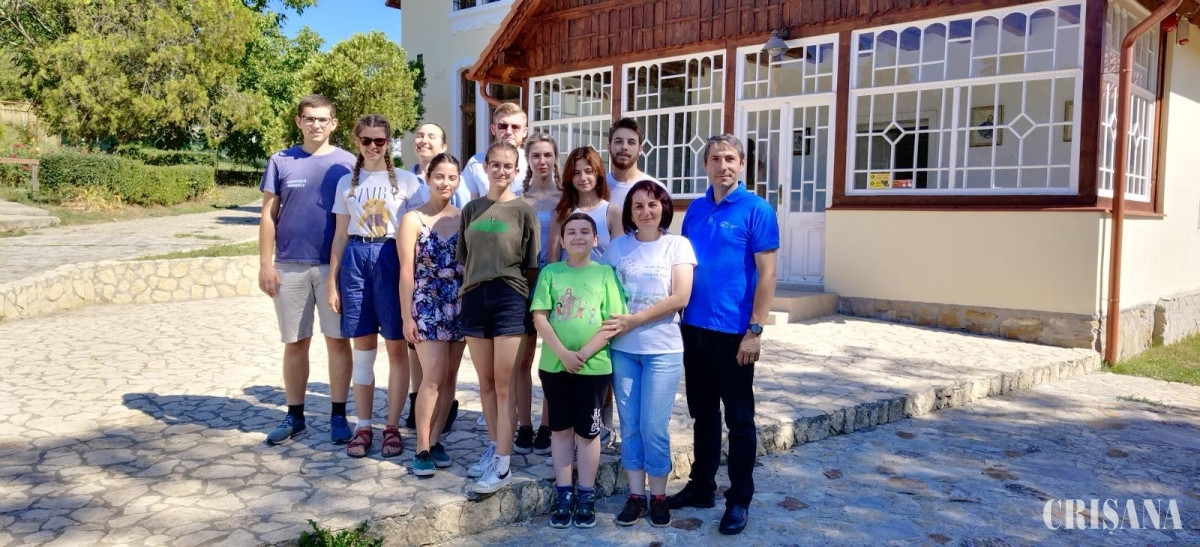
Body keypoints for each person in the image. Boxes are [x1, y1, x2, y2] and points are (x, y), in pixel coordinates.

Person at [667, 134, 779, 536]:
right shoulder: (695, 210)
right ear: (706, 166)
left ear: (742, 164)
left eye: (730, 158)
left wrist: (755, 330)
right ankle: (702, 486)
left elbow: (768, 275)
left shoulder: (757, 210)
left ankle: (739, 498)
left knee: (740, 419)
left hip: (735, 334)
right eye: (715, 159)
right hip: (694, 328)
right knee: (703, 414)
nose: (723, 166)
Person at [327, 114, 429, 458]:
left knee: (397, 349)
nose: (373, 147)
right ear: (357, 142)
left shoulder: (408, 182)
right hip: (356, 259)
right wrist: (332, 283)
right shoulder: (346, 183)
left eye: (380, 141)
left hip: (391, 257)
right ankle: (363, 425)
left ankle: (392, 426)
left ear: (389, 143)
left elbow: (424, 225)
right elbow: (340, 235)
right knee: (363, 350)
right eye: (366, 140)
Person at [259, 94, 355, 446]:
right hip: (289, 265)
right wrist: (265, 264)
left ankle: (338, 415)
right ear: (299, 121)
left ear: (334, 124)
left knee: (338, 341)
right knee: (296, 342)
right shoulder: (281, 161)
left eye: (323, 119)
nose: (316, 124)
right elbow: (268, 215)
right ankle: (294, 415)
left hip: (334, 268)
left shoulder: (348, 163)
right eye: (309, 118)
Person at [602, 180, 696, 527]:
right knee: (630, 425)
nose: (646, 212)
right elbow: (605, 293)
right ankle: (635, 496)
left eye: (653, 205)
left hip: (662, 350)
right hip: (623, 351)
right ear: (630, 211)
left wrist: (635, 320)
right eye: (638, 206)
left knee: (653, 426)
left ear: (664, 208)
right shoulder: (618, 248)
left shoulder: (677, 246)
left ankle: (658, 496)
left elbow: (680, 297)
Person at [530, 212, 626, 529]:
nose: (578, 236)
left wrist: (582, 354)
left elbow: (613, 321)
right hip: (555, 367)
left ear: (596, 239)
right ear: (561, 239)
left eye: (585, 231)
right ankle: (564, 493)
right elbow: (540, 317)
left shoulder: (605, 274)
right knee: (560, 430)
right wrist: (563, 354)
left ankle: (585, 494)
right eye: (571, 232)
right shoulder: (551, 273)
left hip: (593, 368)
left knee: (588, 432)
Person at [456, 140, 539, 494]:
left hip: (510, 298)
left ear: (516, 171)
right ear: (485, 167)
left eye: (508, 166)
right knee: (486, 382)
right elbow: (465, 258)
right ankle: (495, 447)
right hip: (475, 297)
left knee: (505, 384)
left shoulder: (523, 211)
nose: (501, 170)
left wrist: (525, 304)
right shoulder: (471, 209)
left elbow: (532, 266)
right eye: (496, 164)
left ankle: (503, 465)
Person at [549, 146, 624, 442]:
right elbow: (553, 259)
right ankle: (563, 427)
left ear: (598, 173)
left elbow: (621, 258)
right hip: (569, 302)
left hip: (601, 299)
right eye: (576, 172)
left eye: (589, 171)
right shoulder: (563, 213)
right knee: (565, 366)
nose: (583, 177)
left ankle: (603, 423)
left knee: (601, 363)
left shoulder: (612, 211)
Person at [399, 152, 466, 475]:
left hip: (459, 302)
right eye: (439, 176)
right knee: (433, 377)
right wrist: (407, 317)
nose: (445, 183)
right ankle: (422, 447)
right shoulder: (413, 219)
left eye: (452, 177)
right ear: (428, 178)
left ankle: (437, 439)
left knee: (450, 377)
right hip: (427, 303)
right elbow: (406, 271)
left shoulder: (465, 217)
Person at [512, 134, 562, 457]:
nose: (542, 161)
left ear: (555, 158)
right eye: (536, 156)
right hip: (524, 282)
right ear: (528, 160)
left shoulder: (565, 198)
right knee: (523, 358)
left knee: (552, 358)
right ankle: (524, 424)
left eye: (547, 155)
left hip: (555, 281)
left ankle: (547, 424)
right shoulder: (519, 200)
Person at [461, 102, 529, 199]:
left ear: (524, 132)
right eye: (503, 126)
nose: (509, 132)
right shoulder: (475, 164)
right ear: (493, 129)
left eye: (515, 127)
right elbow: (468, 204)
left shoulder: (533, 164)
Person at [605, 117, 667, 211]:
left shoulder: (657, 189)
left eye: (631, 142)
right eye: (618, 141)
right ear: (609, 147)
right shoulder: (597, 188)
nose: (624, 147)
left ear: (640, 149)